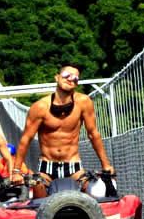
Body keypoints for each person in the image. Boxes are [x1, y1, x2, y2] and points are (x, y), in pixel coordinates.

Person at [11, 64, 114, 192]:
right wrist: (16, 171)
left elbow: (93, 134)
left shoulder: (83, 102)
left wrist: (106, 165)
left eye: (75, 78)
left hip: (73, 166)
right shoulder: (40, 107)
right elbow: (26, 139)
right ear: (57, 77)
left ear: (77, 83)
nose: (71, 79)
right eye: (67, 75)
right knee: (38, 192)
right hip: (46, 167)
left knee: (93, 193)